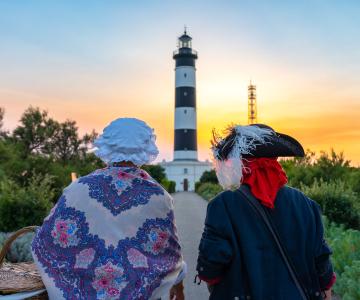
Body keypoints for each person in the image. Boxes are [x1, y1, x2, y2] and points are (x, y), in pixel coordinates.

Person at [32, 118, 186, 300]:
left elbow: (45, 241)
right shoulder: (159, 196)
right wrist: (179, 286)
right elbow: (170, 253)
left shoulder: (78, 187)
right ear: (146, 146)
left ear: (107, 145)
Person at [196, 124, 336, 300]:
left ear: (241, 161)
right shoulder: (306, 204)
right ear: (275, 158)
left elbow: (210, 269)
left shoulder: (222, 205)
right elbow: (322, 264)